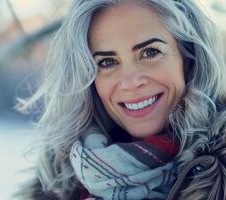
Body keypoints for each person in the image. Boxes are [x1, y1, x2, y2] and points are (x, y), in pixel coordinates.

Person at [17, 0, 226, 199]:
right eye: (107, 62)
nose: (130, 82)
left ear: (189, 58)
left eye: (150, 52)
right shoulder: (62, 186)